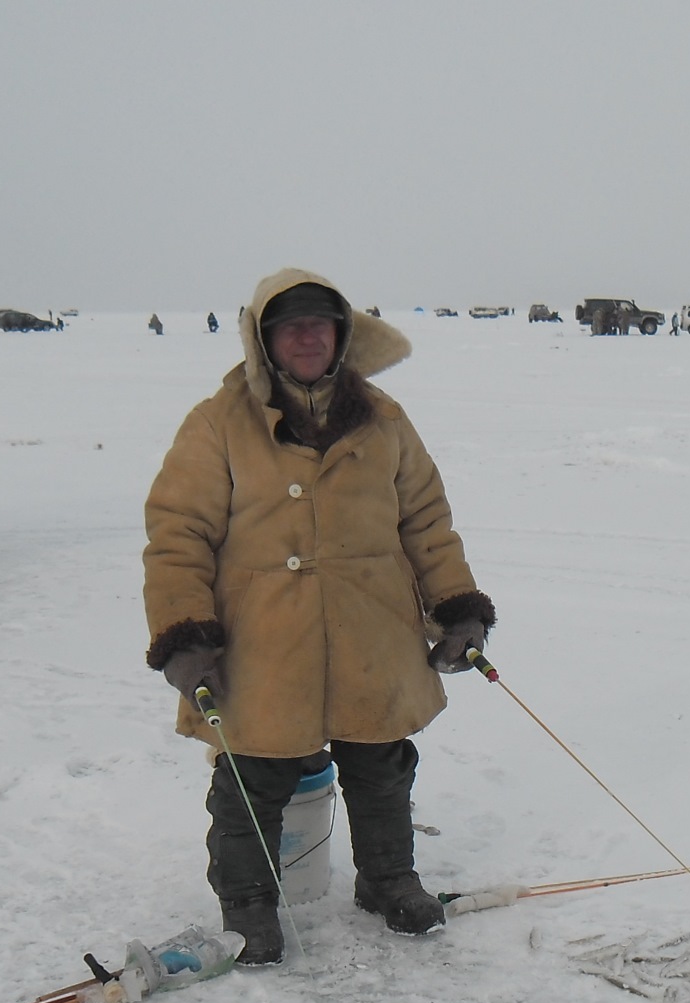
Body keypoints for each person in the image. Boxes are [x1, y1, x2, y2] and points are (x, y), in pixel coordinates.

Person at [142, 269, 495, 965]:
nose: (306, 335)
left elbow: (426, 522)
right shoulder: (217, 422)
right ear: (263, 339)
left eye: (319, 322)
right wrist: (184, 633)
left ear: (342, 335)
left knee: (382, 763)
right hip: (265, 639)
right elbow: (178, 531)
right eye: (289, 324)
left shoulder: (385, 419)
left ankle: (388, 879)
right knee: (253, 778)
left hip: (374, 632)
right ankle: (248, 906)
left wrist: (456, 610)